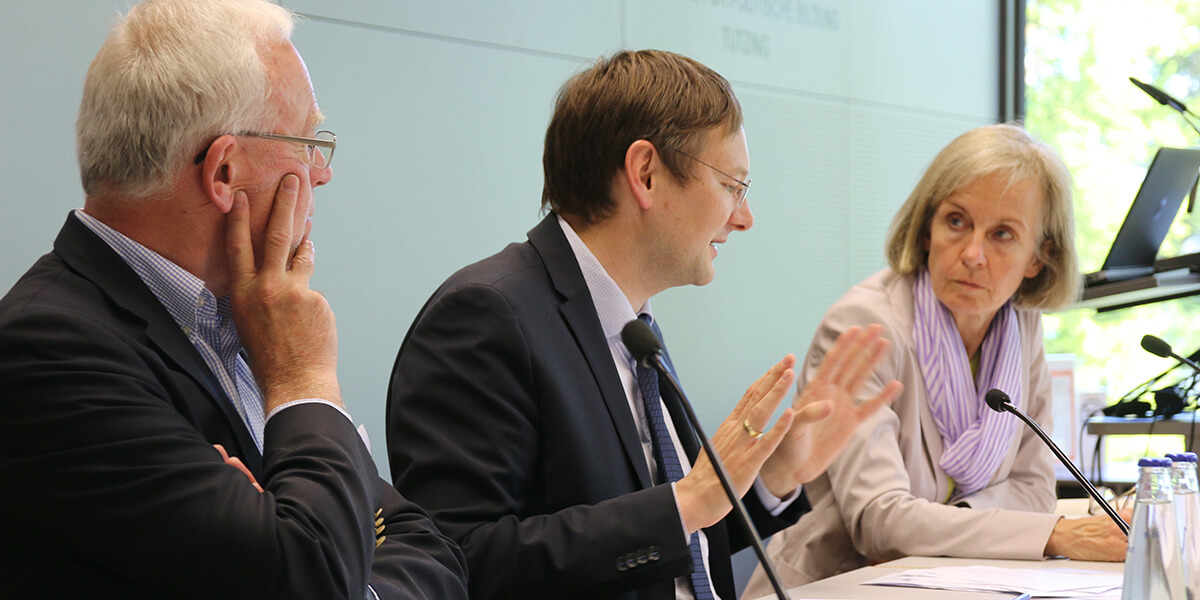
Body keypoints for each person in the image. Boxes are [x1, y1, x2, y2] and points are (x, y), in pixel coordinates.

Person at [386, 49, 903, 600]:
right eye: (733, 185)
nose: (744, 217)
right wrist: (688, 500)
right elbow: (457, 560)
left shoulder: (631, 325)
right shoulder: (486, 316)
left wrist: (770, 478)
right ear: (646, 174)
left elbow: (665, 548)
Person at [0, 1, 467, 598]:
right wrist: (304, 378)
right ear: (223, 172)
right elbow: (310, 575)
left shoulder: (237, 317)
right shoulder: (50, 353)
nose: (321, 173)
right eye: (307, 140)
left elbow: (430, 548)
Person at [742, 123, 1128, 597]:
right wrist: (1047, 534)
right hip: (836, 585)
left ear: (1039, 257)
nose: (971, 254)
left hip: (959, 584)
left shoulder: (1021, 326)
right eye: (956, 221)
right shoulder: (865, 324)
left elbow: (1034, 488)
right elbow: (880, 521)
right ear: (927, 227)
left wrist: (938, 531)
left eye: (1002, 234)